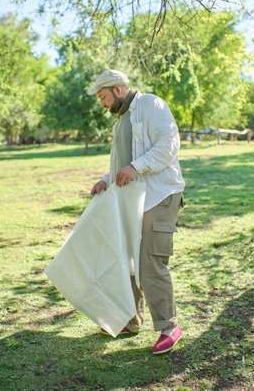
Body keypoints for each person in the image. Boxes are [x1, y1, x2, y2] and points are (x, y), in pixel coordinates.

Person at [89, 70, 185, 354]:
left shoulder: (151, 105)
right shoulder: (122, 122)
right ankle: (132, 320)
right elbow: (122, 163)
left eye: (103, 97)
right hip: (133, 201)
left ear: (117, 89)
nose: (102, 104)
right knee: (129, 259)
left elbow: (168, 145)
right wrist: (106, 181)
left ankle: (170, 326)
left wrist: (135, 168)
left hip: (160, 196)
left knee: (151, 262)